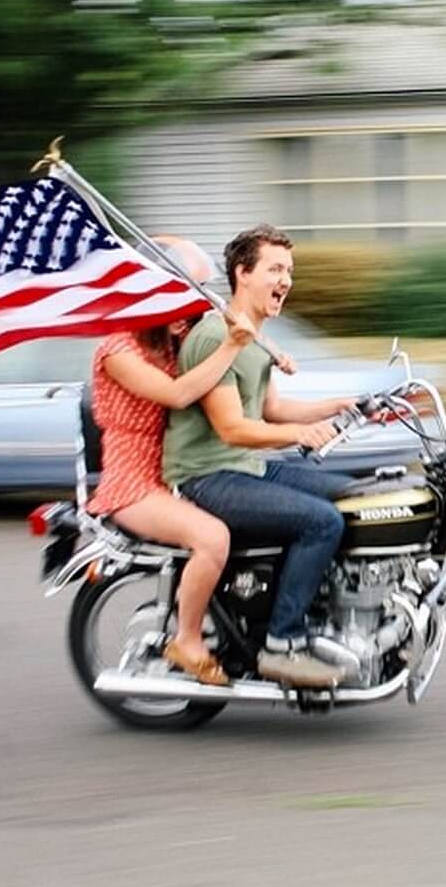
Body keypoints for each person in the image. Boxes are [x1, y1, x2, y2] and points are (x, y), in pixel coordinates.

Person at [162, 225, 359, 690]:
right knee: (321, 521)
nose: (286, 280)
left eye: (289, 270)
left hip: (246, 466)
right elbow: (232, 428)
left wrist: (336, 406)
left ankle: (319, 607)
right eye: (275, 269)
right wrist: (300, 433)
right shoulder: (216, 337)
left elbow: (268, 409)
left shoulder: (257, 337)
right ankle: (282, 642)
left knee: (354, 497)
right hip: (209, 475)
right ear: (242, 274)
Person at [87, 237, 256, 687]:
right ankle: (186, 639)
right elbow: (180, 394)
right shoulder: (118, 349)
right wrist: (232, 346)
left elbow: (214, 388)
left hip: (174, 473)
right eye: (189, 291)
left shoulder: (171, 341)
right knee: (212, 538)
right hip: (132, 482)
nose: (197, 303)